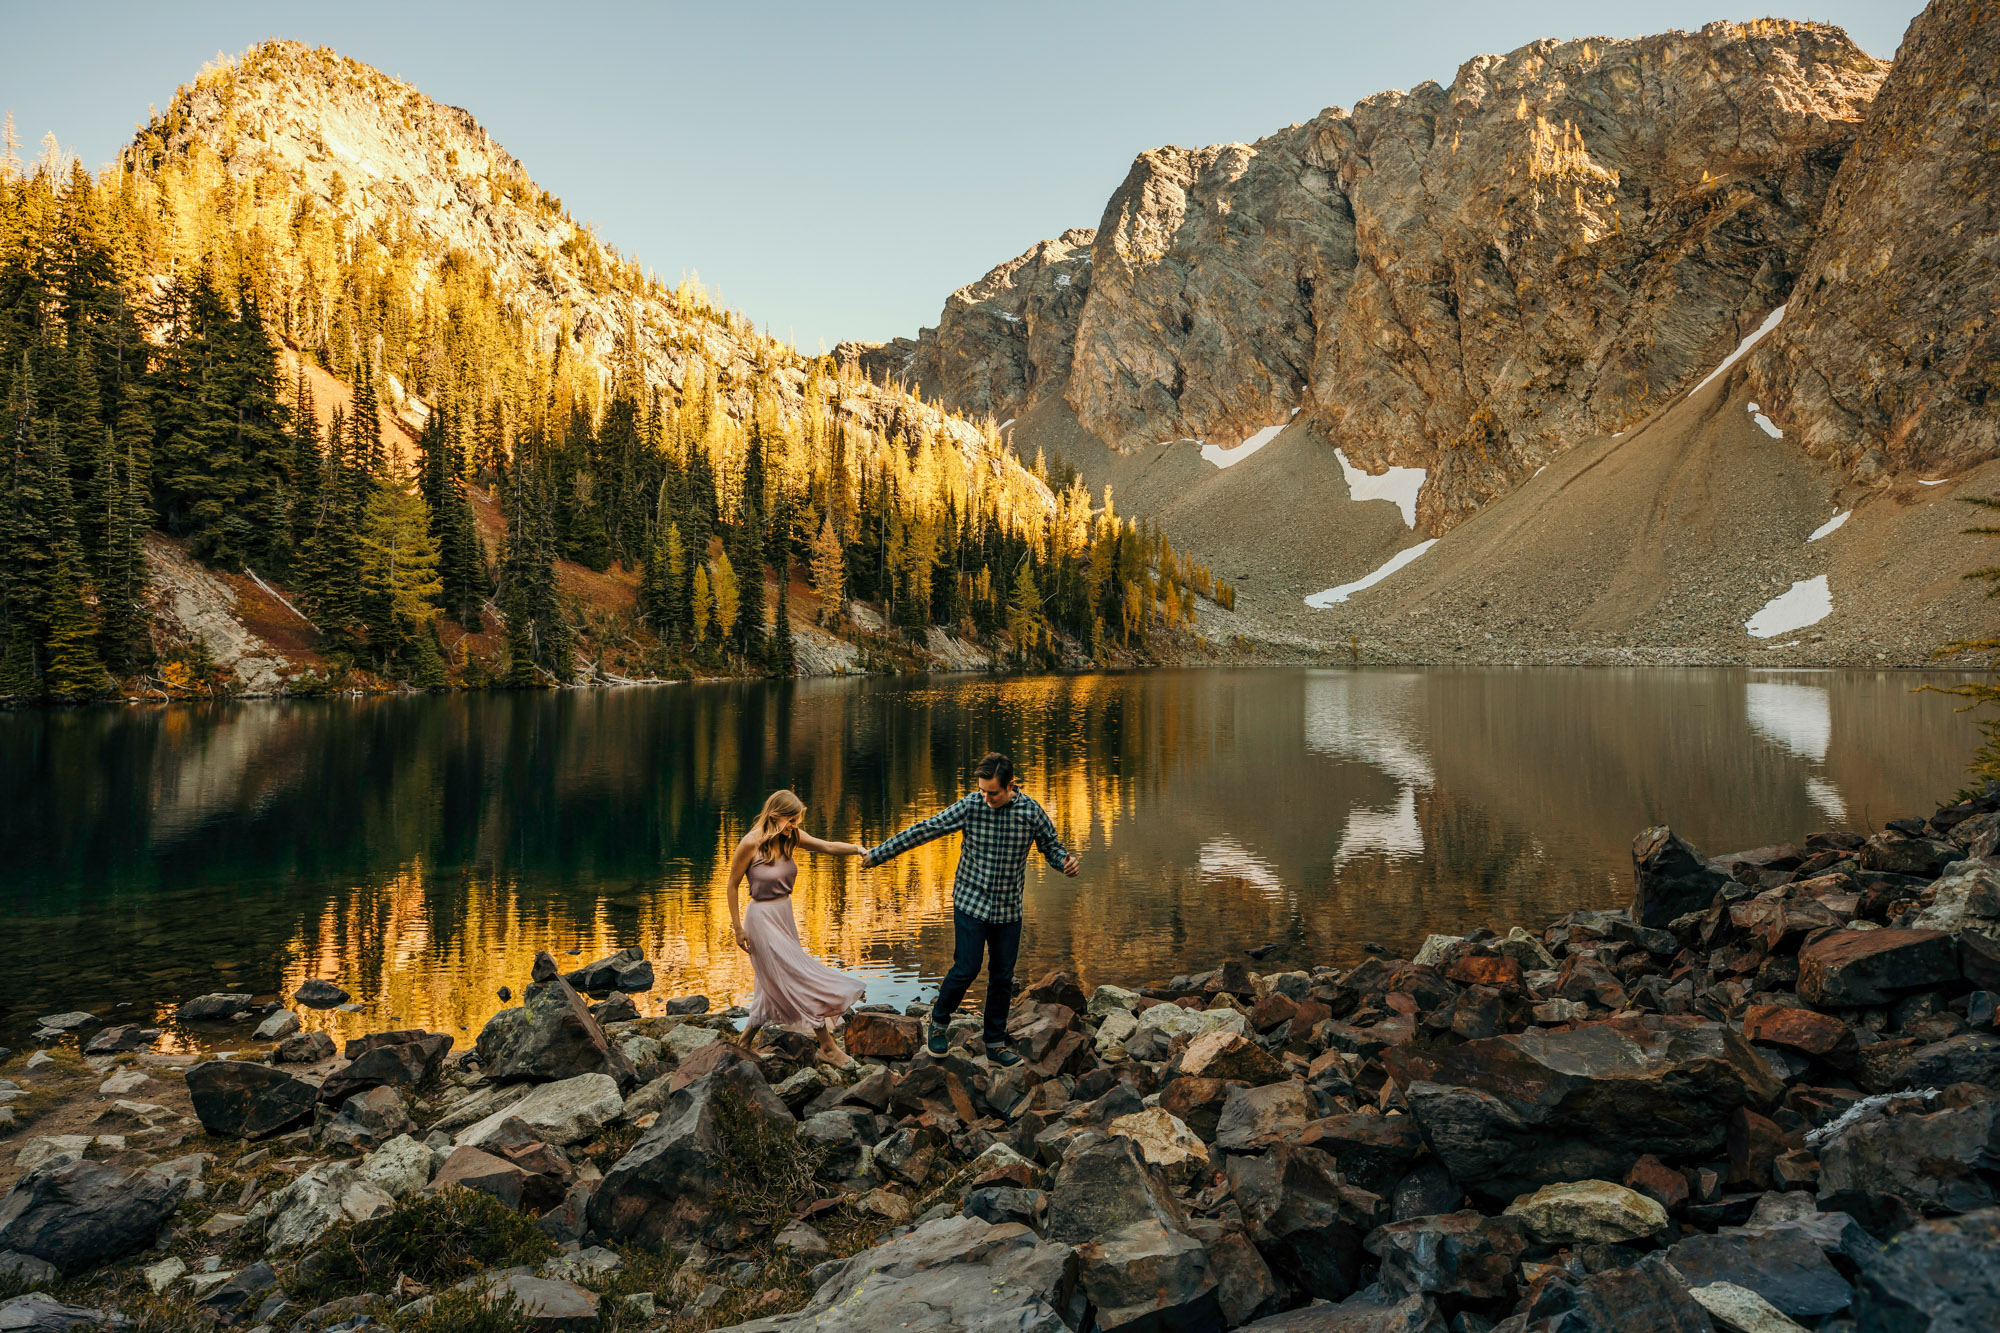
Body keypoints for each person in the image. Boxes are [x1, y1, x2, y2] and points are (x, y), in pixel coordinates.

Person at [862, 752, 1078, 1064]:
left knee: (1002, 977)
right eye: (982, 790)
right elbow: (926, 829)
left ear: (1010, 786)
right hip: (970, 902)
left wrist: (1065, 862)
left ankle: (994, 1043)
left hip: (1008, 910)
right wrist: (879, 854)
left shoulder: (1031, 812)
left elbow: (1052, 847)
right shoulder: (971, 806)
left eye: (993, 792)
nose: (986, 797)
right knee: (966, 967)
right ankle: (938, 1021)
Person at [726, 789, 869, 1067]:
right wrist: (737, 928)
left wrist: (858, 849)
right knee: (798, 976)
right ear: (774, 814)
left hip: (784, 914)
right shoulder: (750, 843)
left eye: (796, 820)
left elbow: (827, 846)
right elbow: (731, 885)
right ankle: (827, 1047)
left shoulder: (791, 837)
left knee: (770, 983)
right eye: (790, 820)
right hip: (761, 919)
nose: (794, 825)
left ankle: (743, 1044)